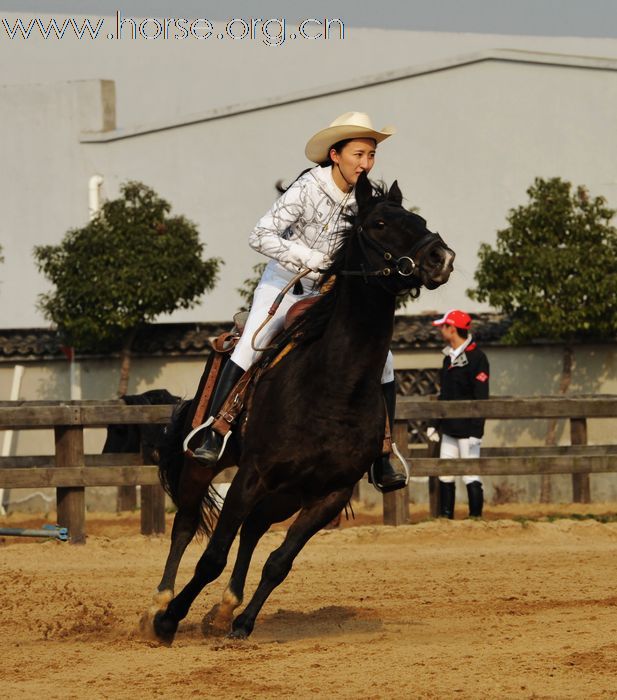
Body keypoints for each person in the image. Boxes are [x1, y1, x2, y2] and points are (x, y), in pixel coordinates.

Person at [193, 111, 408, 492]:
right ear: (336, 153)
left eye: (371, 155)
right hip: (284, 284)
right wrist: (310, 260)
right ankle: (215, 429)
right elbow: (260, 235)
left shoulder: (366, 199)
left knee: (385, 360)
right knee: (253, 342)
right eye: (359, 154)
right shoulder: (307, 187)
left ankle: (383, 454)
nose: (366, 163)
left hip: (331, 294)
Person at [428, 309, 490, 517]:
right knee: (445, 473)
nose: (441, 331)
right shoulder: (448, 358)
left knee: (470, 474)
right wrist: (435, 423)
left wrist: (476, 431)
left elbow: (481, 397)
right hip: (449, 428)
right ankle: (446, 517)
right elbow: (443, 394)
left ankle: (475, 517)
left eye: (443, 327)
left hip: (468, 429)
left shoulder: (478, 358)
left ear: (452, 329)